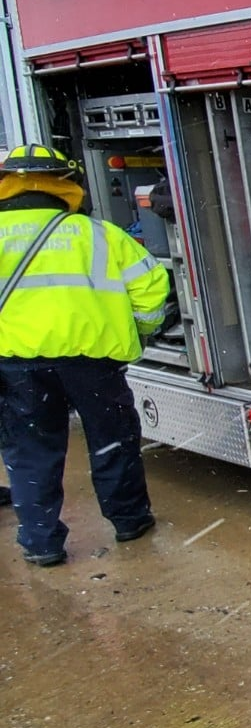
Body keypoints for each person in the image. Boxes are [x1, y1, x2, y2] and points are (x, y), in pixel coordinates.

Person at [0, 144, 170, 566]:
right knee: (111, 440)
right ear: (65, 184)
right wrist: (140, 332)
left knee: (31, 451)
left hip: (17, 364)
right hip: (92, 362)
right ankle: (129, 520)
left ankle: (41, 542)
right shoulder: (99, 233)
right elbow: (151, 288)